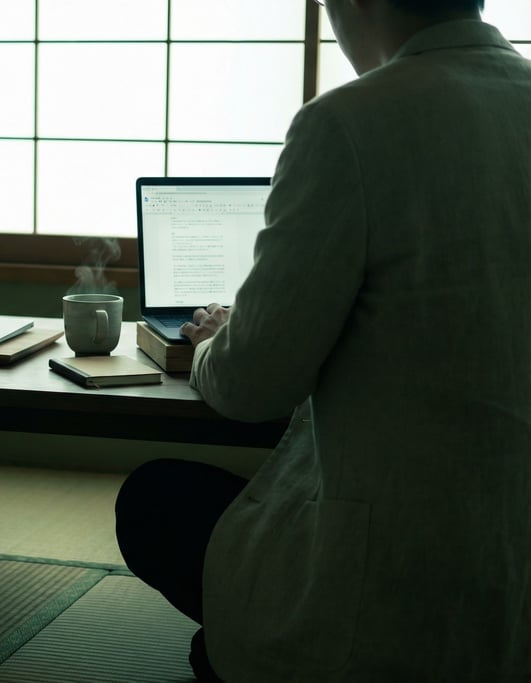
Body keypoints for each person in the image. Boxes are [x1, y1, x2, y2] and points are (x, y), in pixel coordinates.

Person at [116, 0, 531, 680]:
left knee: (155, 499)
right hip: (510, 557)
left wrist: (223, 339)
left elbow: (251, 386)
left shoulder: (348, 121)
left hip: (398, 581)